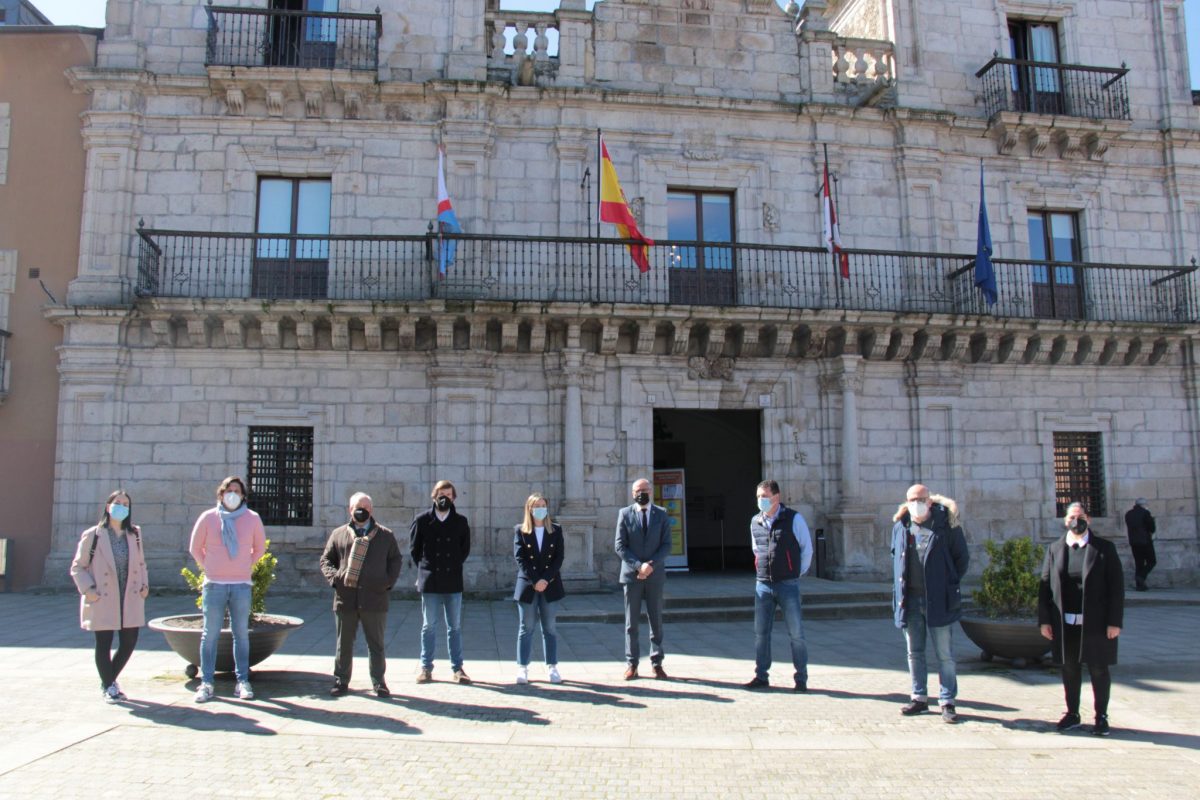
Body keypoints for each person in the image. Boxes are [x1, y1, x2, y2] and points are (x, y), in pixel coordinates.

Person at [1039, 502, 1124, 736]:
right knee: (1069, 668)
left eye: (1081, 516)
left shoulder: (1104, 549)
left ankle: (1101, 716)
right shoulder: (1055, 549)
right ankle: (1072, 713)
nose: (1077, 521)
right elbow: (1045, 587)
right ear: (1065, 521)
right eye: (1072, 517)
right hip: (1065, 622)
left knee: (1098, 669)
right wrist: (1044, 620)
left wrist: (1114, 622)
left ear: (1089, 519)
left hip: (1096, 623)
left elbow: (1116, 588)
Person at [889, 484, 970, 723]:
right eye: (912, 499)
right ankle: (919, 698)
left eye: (920, 499)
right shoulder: (901, 526)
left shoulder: (947, 526)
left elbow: (961, 559)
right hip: (911, 599)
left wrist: (947, 583)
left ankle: (947, 700)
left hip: (939, 599)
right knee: (914, 652)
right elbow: (895, 558)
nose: (916, 503)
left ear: (930, 501)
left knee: (944, 654)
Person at [188, 476, 266, 703]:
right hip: (214, 584)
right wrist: (210, 567)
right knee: (209, 634)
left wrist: (245, 565)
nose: (232, 494)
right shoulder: (208, 518)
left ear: (243, 496)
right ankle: (207, 682)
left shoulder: (252, 518)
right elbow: (195, 548)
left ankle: (242, 681)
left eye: (237, 490)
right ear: (221, 494)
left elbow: (259, 548)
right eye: (228, 490)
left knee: (241, 634)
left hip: (241, 584)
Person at [69, 490, 150, 703]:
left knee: (129, 641)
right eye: (117, 503)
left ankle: (109, 681)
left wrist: (144, 585)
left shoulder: (134, 534)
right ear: (108, 506)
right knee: (103, 643)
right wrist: (89, 591)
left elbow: (141, 563)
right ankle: (109, 686)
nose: (121, 507)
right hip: (103, 596)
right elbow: (78, 567)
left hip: (130, 595)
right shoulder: (94, 535)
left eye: (125, 504)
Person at [320, 492, 403, 697]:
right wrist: (336, 579)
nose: (361, 510)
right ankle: (341, 680)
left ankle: (378, 681)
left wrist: (386, 583)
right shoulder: (339, 534)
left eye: (365, 506)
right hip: (345, 598)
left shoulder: (385, 535)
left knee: (376, 644)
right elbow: (326, 560)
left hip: (374, 598)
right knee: (344, 643)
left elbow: (395, 560)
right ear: (350, 509)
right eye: (358, 506)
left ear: (371, 510)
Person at [744, 480, 814, 693]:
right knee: (761, 633)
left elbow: (806, 549)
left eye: (765, 497)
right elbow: (757, 550)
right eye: (758, 497)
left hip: (787, 584)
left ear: (777, 497)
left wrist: (795, 572)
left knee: (796, 634)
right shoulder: (755, 521)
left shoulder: (794, 518)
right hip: (763, 584)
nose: (761, 501)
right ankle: (761, 676)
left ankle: (801, 678)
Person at [411, 479, 472, 684]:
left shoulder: (461, 522)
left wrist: (453, 565)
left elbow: (464, 549)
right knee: (429, 625)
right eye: (440, 494)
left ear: (453, 497)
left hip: (452, 580)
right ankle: (426, 667)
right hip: (431, 581)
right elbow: (415, 550)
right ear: (434, 496)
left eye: (447, 494)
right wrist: (425, 571)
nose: (444, 498)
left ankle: (458, 668)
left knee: (454, 626)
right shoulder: (421, 520)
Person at [614, 477, 672, 680]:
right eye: (638, 490)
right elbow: (620, 546)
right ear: (632, 494)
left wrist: (650, 565)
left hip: (654, 576)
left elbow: (666, 545)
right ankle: (632, 664)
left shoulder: (662, 514)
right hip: (632, 576)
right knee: (632, 623)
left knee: (656, 620)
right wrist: (639, 566)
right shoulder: (624, 514)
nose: (642, 493)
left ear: (651, 491)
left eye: (645, 489)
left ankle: (657, 663)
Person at [512, 493, 566, 684]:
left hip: (550, 584)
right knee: (526, 627)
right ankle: (522, 667)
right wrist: (536, 580)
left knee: (549, 627)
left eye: (543, 505)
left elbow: (559, 558)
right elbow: (520, 558)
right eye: (537, 506)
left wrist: (545, 579)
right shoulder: (521, 531)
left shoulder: (556, 530)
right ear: (529, 509)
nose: (540, 508)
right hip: (528, 584)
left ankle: (552, 667)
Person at [1124, 498, 1156, 591]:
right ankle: (1141, 577)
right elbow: (1152, 528)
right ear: (1143, 505)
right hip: (1145, 541)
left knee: (1139, 563)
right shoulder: (1145, 513)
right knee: (1152, 561)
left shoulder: (1128, 514)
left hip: (1134, 542)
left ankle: (1140, 585)